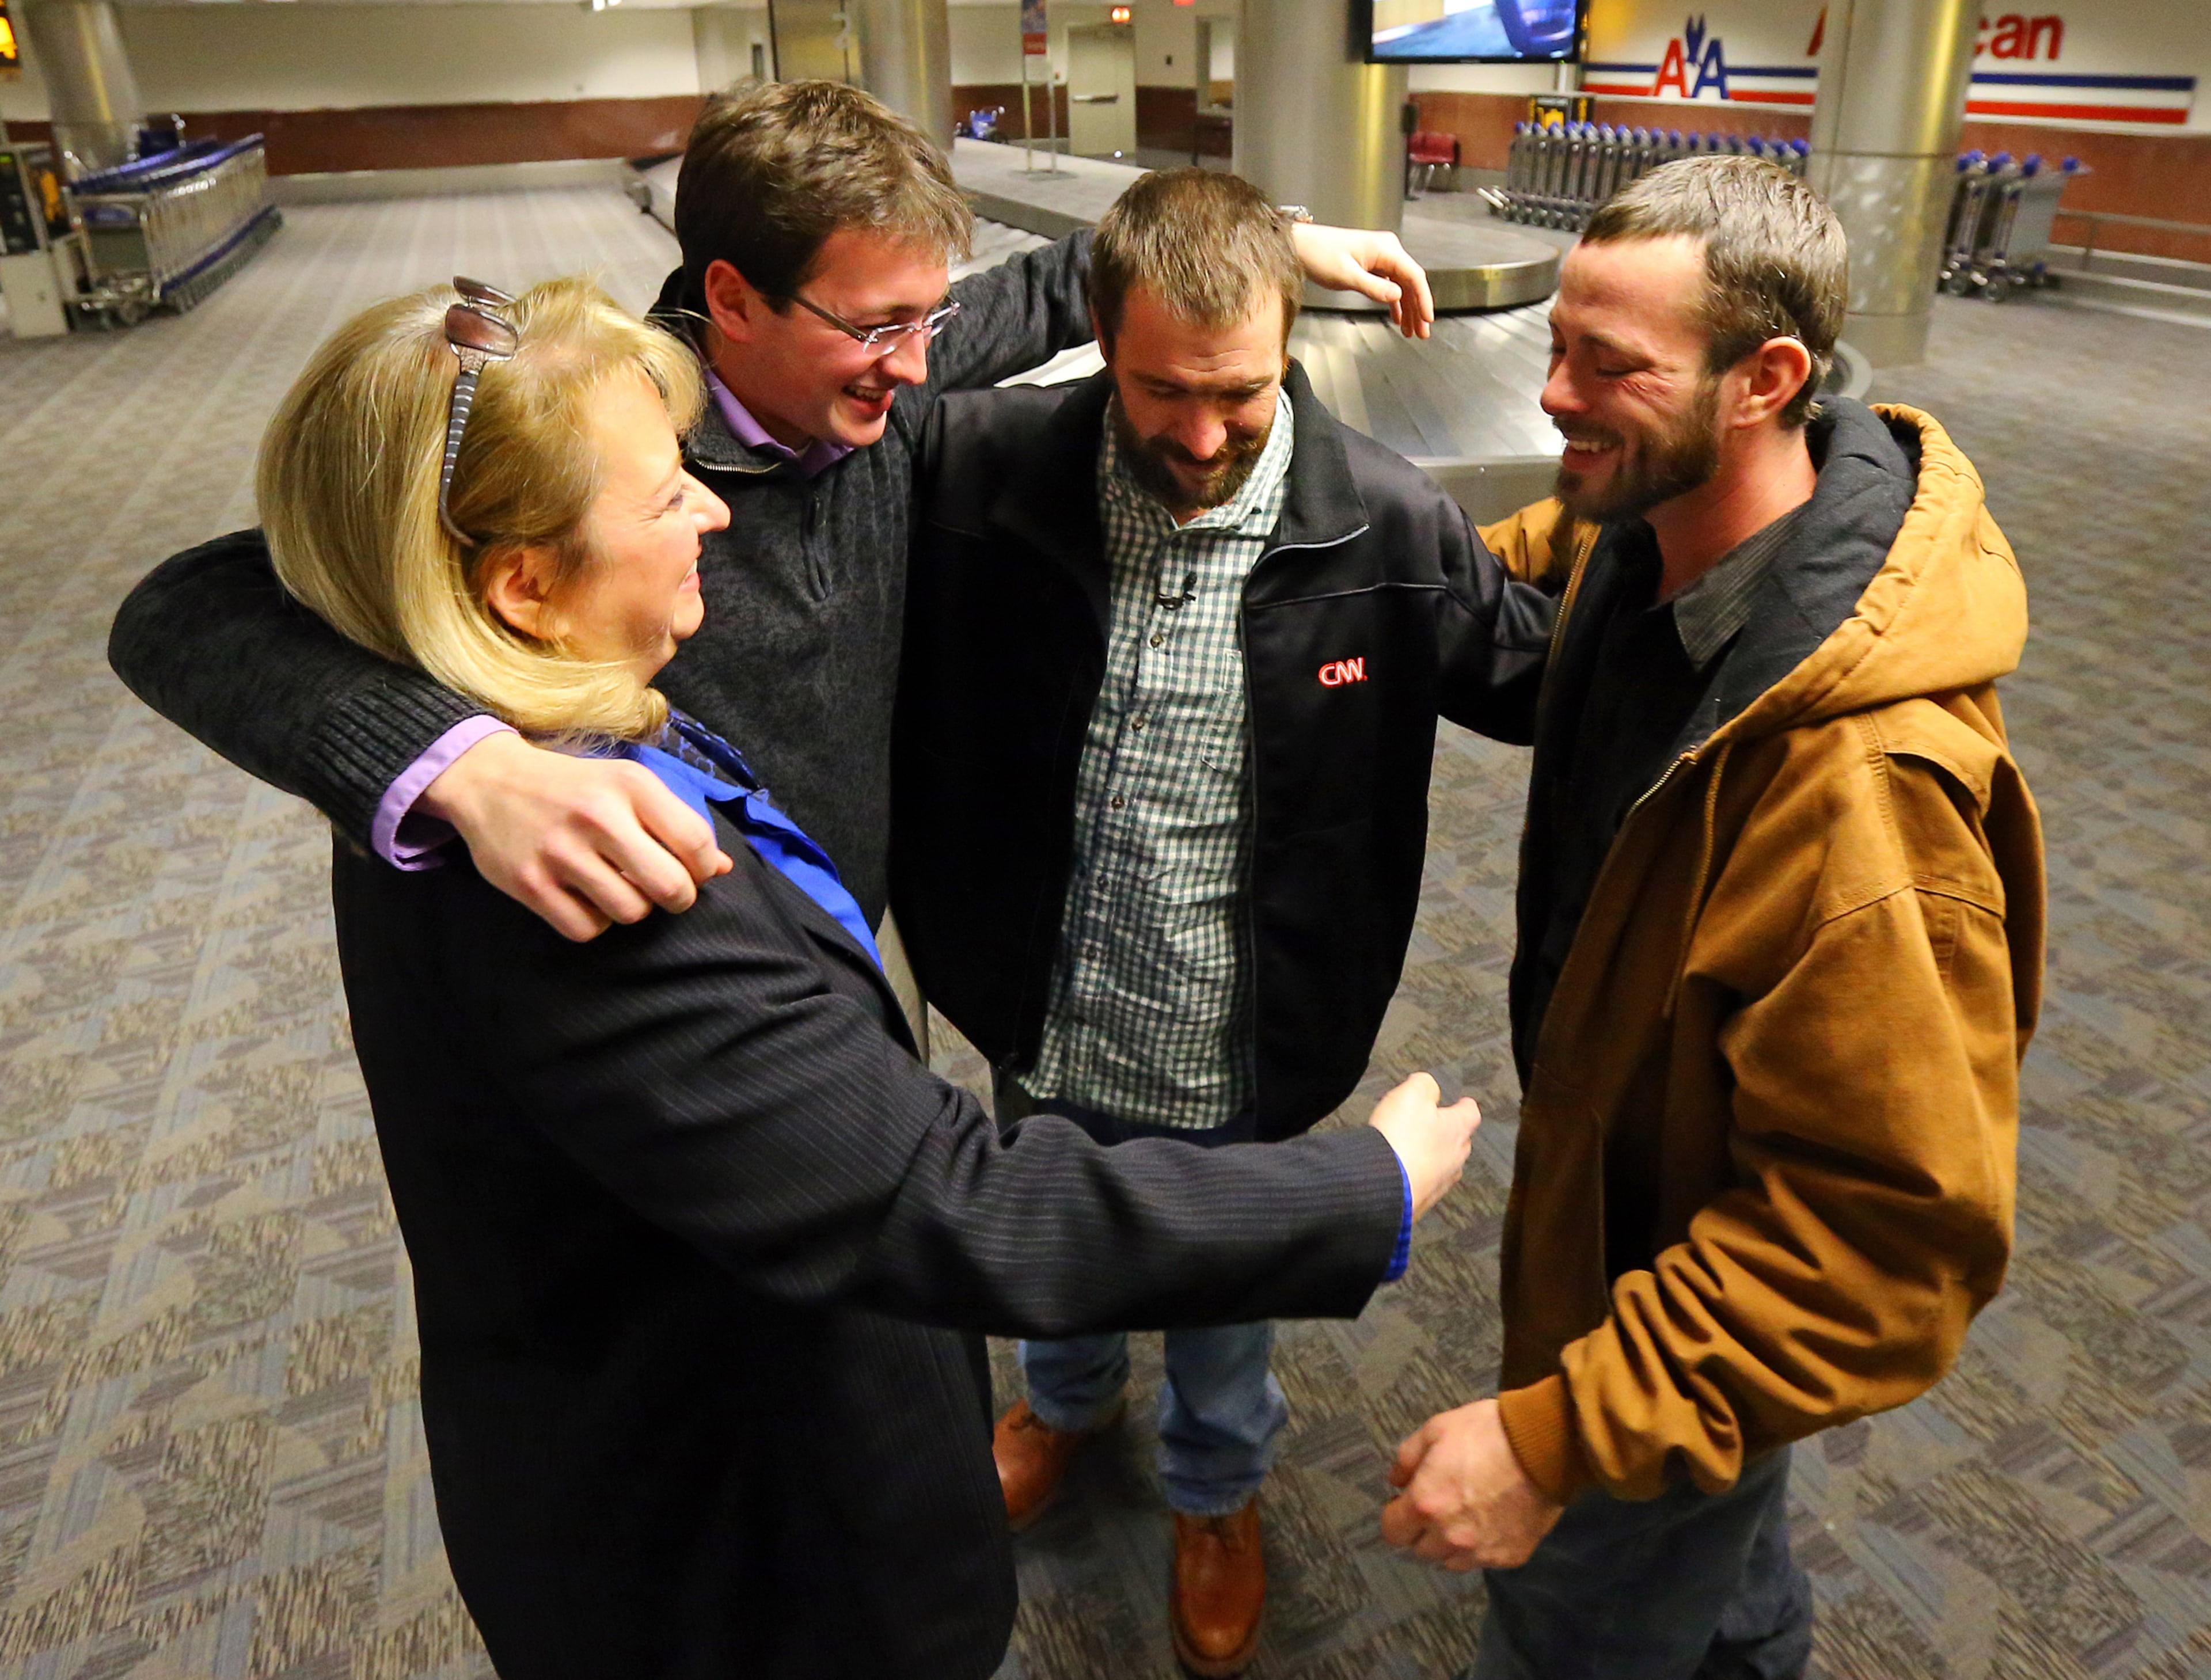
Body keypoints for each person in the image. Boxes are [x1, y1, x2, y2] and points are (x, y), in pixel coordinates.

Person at [237, 274, 1481, 1680]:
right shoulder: (589, 884)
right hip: (747, 1549)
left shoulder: (482, 752)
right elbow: (943, 1195)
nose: (715, 509)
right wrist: (1360, 1189)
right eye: (665, 499)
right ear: (523, 583)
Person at [107, 79, 1434, 978]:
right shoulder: (586, 447)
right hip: (682, 953)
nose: (919, 366)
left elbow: (1043, 287)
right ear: (731, 300)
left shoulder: (870, 380)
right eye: (877, 329)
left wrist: (1275, 238)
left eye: (927, 319)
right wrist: (461, 766)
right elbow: (189, 607)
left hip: (858, 932)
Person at [1375, 155, 2045, 1679]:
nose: (1552, 396)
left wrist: (1556, 1437)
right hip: (1636, 1177)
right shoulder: (1658, 523)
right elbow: (1530, 575)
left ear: (1770, 380)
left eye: (1610, 365)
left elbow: (1879, 1241)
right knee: (1715, 1549)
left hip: (1684, 1298)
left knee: (1580, 1613)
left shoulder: (1863, 795)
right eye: (1556, 345)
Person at [889, 168, 1557, 1678]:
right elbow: (796, 390)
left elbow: (1545, 681)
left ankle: (1215, 1489)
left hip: (1245, 1030)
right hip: (1044, 1001)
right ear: (1099, 340)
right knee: (1041, 1229)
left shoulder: (1384, 520)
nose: (1199, 434)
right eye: (1160, 390)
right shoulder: (983, 475)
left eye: (1241, 395)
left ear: (1292, 346)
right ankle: (1062, 1401)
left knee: (1224, 1291)